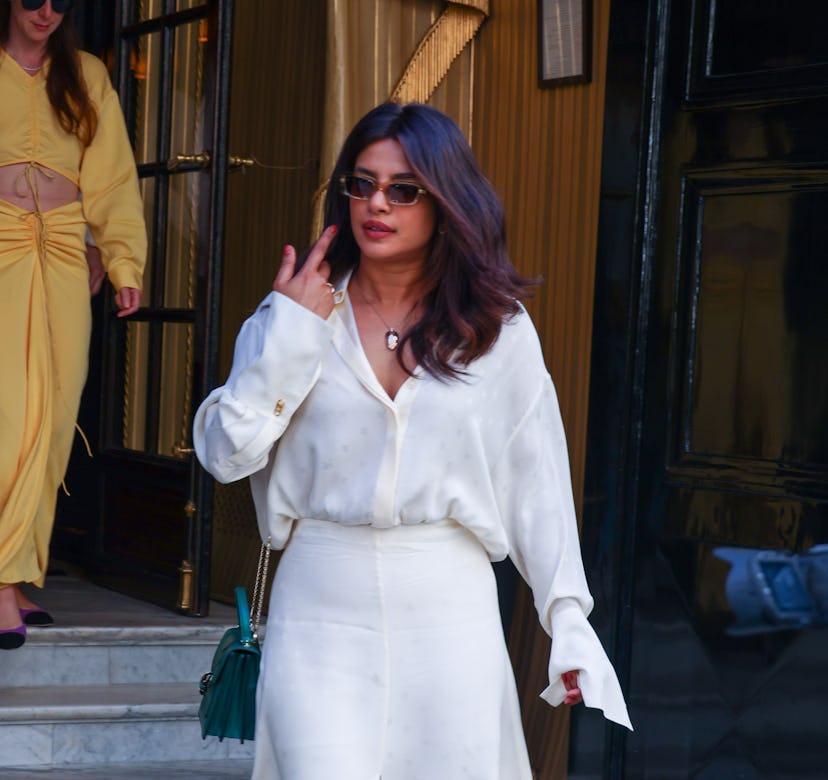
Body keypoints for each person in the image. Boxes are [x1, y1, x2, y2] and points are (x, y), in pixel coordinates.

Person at [194, 101, 631, 779]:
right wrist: (290, 339)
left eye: (403, 189)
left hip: (449, 607)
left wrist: (567, 617)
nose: (377, 203)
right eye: (362, 184)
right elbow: (224, 455)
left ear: (447, 202)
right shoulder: (294, 316)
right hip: (319, 608)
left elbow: (536, 485)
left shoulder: (497, 330)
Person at [0, 0, 146, 651]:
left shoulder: (85, 74)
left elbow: (111, 178)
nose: (47, 11)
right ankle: (2, 583)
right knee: (10, 416)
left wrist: (120, 259)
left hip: (61, 252)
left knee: (56, 416)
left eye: (60, 0)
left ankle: (15, 571)